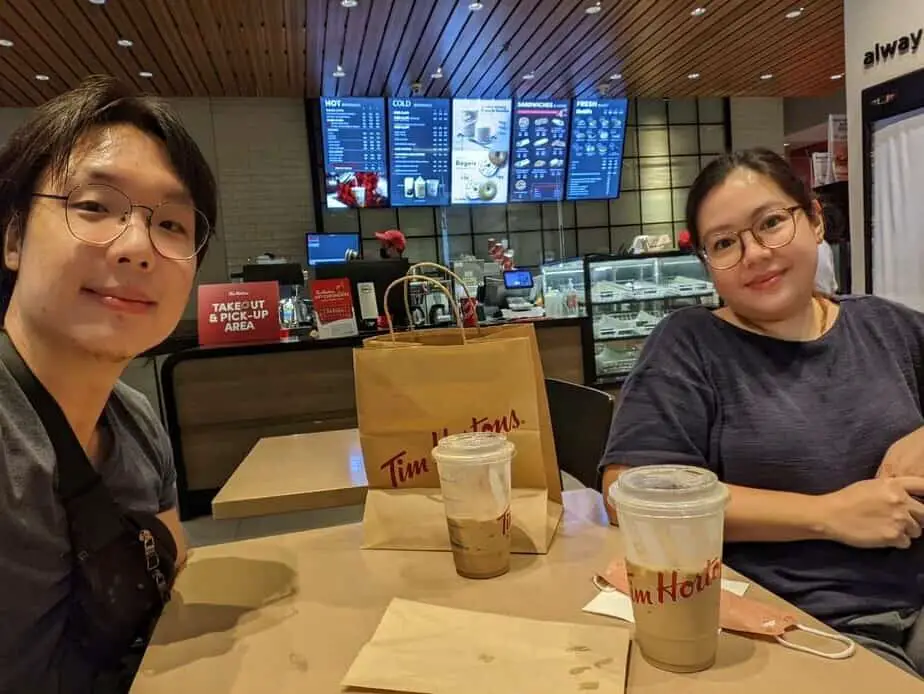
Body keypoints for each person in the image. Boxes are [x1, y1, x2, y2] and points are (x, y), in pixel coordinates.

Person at [600, 148, 924, 678]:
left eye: (771, 223)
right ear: (708, 265)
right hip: (804, 626)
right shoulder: (691, 345)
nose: (754, 253)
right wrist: (830, 515)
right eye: (725, 243)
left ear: (815, 220)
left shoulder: (887, 328)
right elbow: (630, 493)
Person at [0, 76, 216, 691]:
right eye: (94, 207)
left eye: (172, 224)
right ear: (13, 236)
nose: (138, 247)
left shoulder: (136, 418)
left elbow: (176, 576)